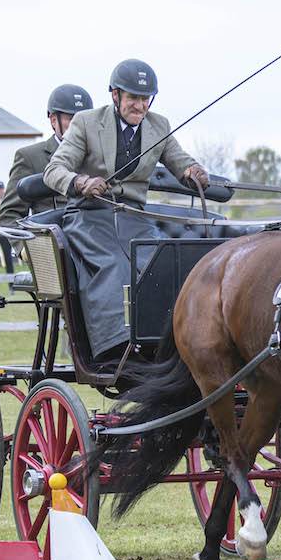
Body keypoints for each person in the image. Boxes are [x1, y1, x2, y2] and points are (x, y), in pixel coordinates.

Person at [42, 58, 208, 364]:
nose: (140, 106)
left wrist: (193, 171)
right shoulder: (87, 122)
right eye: (133, 98)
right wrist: (81, 182)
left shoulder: (159, 126)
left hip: (134, 218)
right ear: (115, 95)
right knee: (113, 264)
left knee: (159, 262)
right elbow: (53, 171)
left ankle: (165, 339)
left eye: (146, 99)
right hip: (89, 216)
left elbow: (180, 160)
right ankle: (114, 347)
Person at [0, 83, 93, 228]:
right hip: (54, 239)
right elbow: (10, 215)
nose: (79, 126)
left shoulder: (100, 154)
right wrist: (35, 242)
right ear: (54, 120)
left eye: (84, 120)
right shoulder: (30, 157)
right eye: (71, 119)